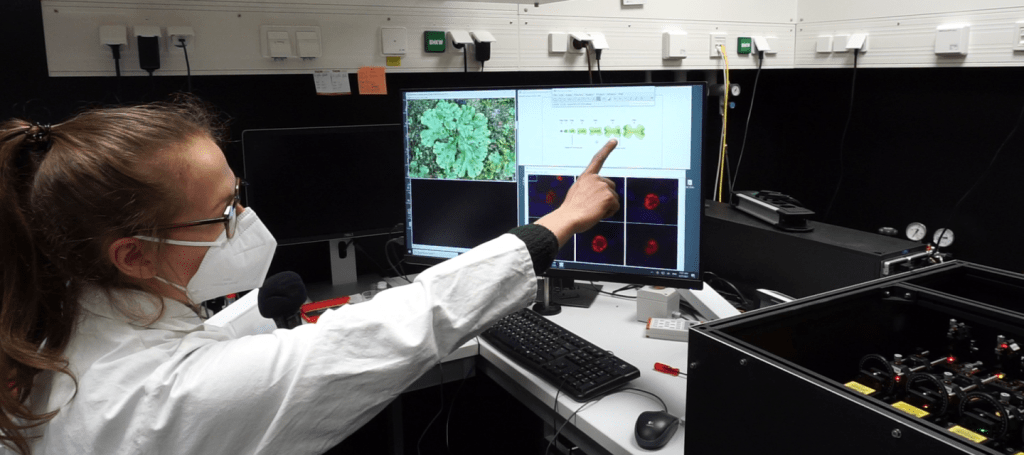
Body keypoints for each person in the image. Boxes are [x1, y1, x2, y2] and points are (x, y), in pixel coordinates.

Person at [0, 98, 620, 455]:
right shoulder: (171, 399)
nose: (245, 221)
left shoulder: (56, 329)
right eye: (224, 212)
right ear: (133, 256)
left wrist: (251, 314)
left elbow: (195, 352)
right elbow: (400, 327)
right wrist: (557, 223)